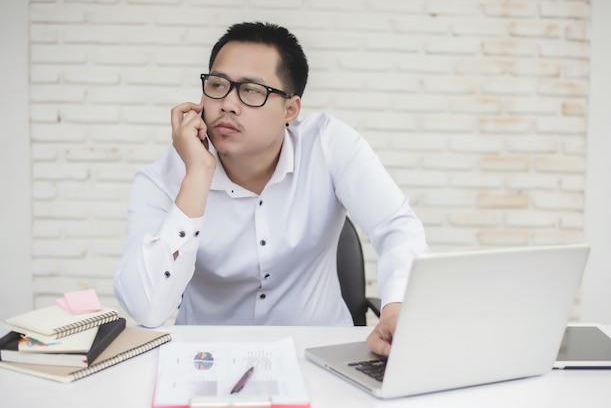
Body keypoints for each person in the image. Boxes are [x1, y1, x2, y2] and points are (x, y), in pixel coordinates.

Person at [114, 22, 428, 356]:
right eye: (218, 85)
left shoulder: (328, 145)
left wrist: (396, 307)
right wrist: (198, 174)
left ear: (289, 111)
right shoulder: (163, 177)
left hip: (320, 354)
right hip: (206, 359)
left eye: (251, 90)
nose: (228, 104)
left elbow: (396, 226)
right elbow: (146, 309)